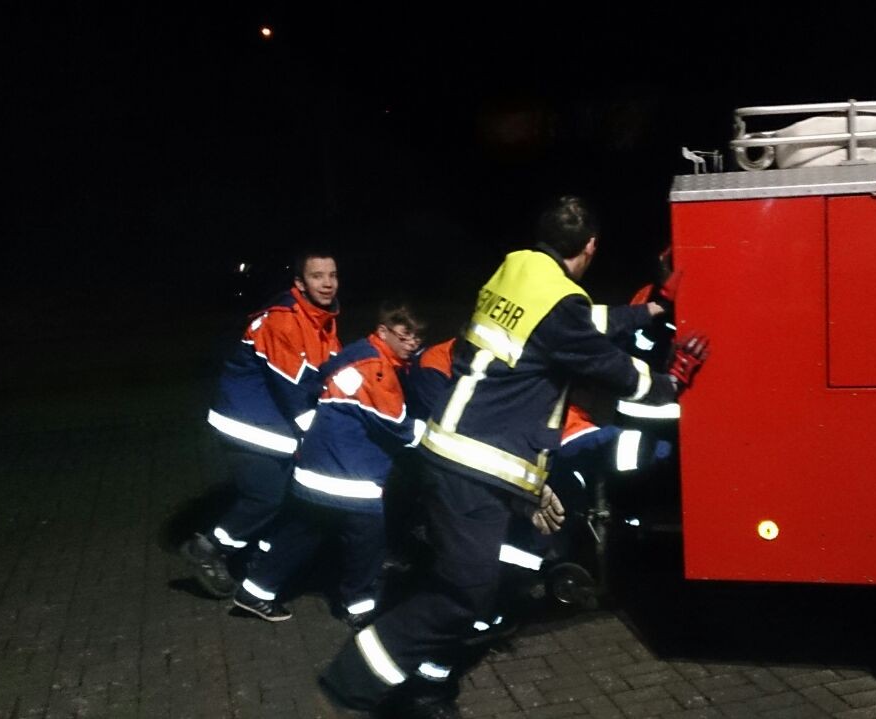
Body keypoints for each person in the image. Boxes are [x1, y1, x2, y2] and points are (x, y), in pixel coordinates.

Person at [320, 196, 709, 718]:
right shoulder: (561, 307)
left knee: (464, 587)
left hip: (461, 456)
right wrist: (673, 380)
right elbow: (613, 369)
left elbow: (583, 321)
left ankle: (415, 687)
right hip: (476, 465)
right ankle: (352, 685)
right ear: (591, 247)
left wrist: (654, 307)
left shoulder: (518, 269)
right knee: (463, 596)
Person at [228, 302, 427, 623]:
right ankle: (358, 607)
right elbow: (397, 426)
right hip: (349, 478)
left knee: (305, 533)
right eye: (405, 337)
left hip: (317, 468)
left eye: (417, 339)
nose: (412, 344)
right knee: (368, 543)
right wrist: (434, 436)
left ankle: (254, 592)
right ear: (383, 332)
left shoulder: (356, 353)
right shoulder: (377, 370)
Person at [182, 249, 341, 598]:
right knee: (267, 497)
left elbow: (329, 377)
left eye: (332, 275)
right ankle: (208, 548)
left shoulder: (321, 319)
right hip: (248, 424)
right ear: (300, 282)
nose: (327, 283)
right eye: (317, 276)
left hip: (273, 424)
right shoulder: (282, 320)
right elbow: (296, 392)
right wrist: (326, 440)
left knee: (288, 496)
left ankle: (256, 556)